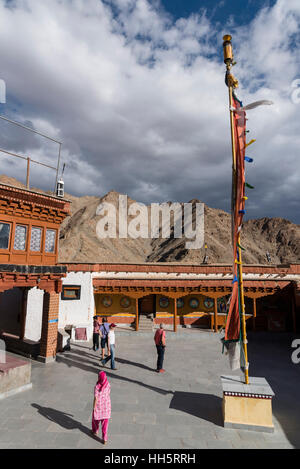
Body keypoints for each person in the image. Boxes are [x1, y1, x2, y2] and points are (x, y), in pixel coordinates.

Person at [92, 371, 111, 444]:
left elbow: (96, 398)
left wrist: (94, 407)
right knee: (105, 424)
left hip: (99, 407)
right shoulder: (108, 384)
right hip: (106, 406)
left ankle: (95, 430)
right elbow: (108, 393)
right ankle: (104, 439)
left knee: (95, 420)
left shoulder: (97, 386)